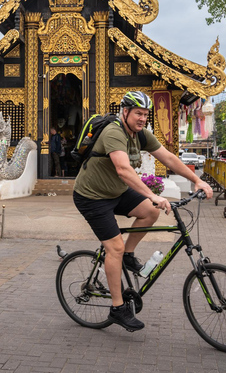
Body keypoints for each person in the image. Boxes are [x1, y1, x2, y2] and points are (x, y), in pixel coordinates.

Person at [72, 91, 213, 332]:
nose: (142, 118)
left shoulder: (140, 134)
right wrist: (153, 194)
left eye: (146, 114)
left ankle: (128, 254)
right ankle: (117, 308)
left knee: (150, 212)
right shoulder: (114, 131)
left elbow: (168, 157)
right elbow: (123, 170)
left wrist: (196, 180)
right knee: (113, 247)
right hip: (92, 197)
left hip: (116, 192)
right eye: (138, 113)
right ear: (125, 112)